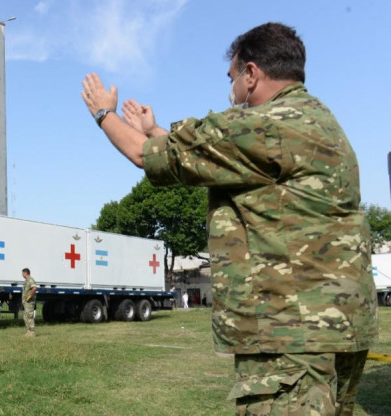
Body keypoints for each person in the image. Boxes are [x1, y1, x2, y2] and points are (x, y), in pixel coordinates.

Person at [82, 22, 378, 415]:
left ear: (251, 73)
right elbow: (224, 158)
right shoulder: (319, 122)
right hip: (342, 329)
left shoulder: (261, 125)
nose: (232, 91)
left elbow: (144, 156)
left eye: (233, 78)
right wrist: (155, 129)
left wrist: (104, 113)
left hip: (289, 337)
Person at [21, 268, 37, 337]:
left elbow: (34, 288)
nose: (22, 274)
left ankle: (32, 332)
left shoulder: (30, 279)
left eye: (22, 273)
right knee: (25, 317)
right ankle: (28, 331)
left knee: (30, 316)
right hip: (26, 302)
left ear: (26, 273)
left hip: (29, 302)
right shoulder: (26, 281)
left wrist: (29, 296)